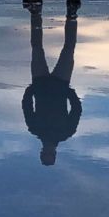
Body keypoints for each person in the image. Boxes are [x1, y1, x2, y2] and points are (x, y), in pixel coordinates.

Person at [22, 10, 81, 166]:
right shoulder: (66, 132)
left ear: (42, 152)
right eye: (50, 154)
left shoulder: (34, 129)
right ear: (54, 153)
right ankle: (72, 16)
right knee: (69, 48)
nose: (47, 151)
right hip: (61, 83)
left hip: (40, 82)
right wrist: (70, 93)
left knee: (36, 47)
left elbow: (27, 107)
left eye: (45, 153)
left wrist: (30, 90)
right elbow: (76, 110)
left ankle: (35, 15)